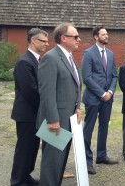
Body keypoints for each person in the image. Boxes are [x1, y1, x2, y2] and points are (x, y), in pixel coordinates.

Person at [37, 23, 82, 185]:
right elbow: (47, 93)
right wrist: (53, 119)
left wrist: (78, 107)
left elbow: (75, 86)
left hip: (69, 119)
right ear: (64, 38)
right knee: (52, 165)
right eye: (75, 36)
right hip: (55, 122)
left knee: (60, 163)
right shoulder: (51, 58)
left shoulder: (69, 57)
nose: (79, 39)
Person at [10, 28, 48, 186]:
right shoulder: (24, 61)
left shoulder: (37, 60)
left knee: (32, 149)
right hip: (26, 114)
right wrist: (46, 106)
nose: (46, 44)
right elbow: (30, 90)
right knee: (24, 149)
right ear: (33, 40)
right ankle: (18, 181)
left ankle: (26, 176)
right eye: (43, 41)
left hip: (35, 114)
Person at [81, 26, 118, 175]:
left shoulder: (110, 53)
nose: (106, 36)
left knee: (104, 127)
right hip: (93, 98)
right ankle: (87, 161)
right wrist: (102, 93)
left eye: (107, 34)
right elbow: (87, 77)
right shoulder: (88, 53)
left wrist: (110, 91)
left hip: (108, 99)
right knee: (88, 129)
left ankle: (101, 156)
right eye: (103, 34)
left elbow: (114, 75)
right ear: (96, 37)